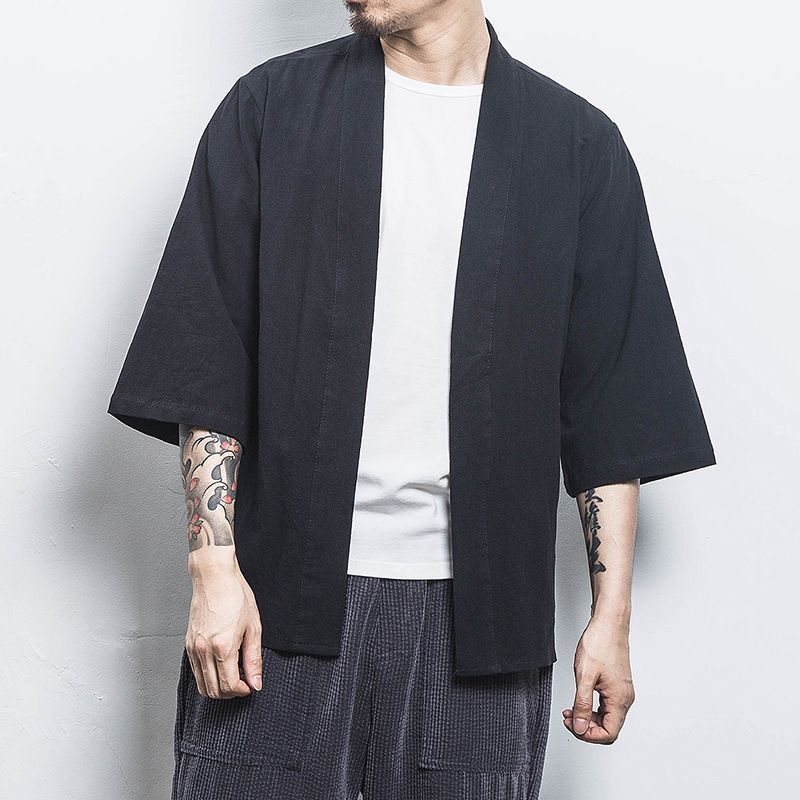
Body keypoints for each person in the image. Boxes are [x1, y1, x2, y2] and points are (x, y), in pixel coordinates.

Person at [108, 1, 717, 798]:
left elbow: (610, 405)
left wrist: (612, 618)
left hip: (484, 625)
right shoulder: (272, 109)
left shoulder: (574, 145)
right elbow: (207, 356)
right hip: (275, 605)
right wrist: (213, 569)